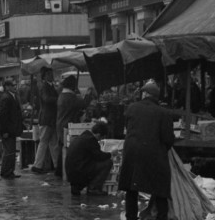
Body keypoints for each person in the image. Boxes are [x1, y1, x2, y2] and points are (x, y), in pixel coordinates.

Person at [119, 81, 175, 220]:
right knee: (161, 187)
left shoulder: (132, 108)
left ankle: (131, 217)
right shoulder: (164, 112)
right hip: (154, 154)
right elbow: (168, 139)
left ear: (144, 94)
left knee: (132, 187)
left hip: (132, 152)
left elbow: (127, 129)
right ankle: (162, 217)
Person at [65, 121, 112, 196]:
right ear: (99, 135)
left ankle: (77, 186)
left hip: (72, 174)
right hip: (79, 172)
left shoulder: (83, 136)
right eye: (102, 137)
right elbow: (99, 156)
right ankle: (93, 188)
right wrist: (111, 154)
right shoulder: (91, 140)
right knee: (108, 163)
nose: (100, 140)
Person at [31, 67, 60, 174]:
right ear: (45, 76)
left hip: (51, 119)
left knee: (53, 143)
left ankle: (57, 165)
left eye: (52, 74)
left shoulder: (51, 86)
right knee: (43, 142)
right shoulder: (44, 87)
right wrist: (58, 99)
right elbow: (46, 99)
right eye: (50, 74)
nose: (52, 76)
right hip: (47, 118)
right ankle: (37, 165)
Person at [55, 75, 85, 178]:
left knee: (61, 148)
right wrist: (89, 95)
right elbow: (82, 104)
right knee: (65, 149)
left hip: (60, 124)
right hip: (66, 126)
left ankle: (59, 171)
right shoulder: (70, 97)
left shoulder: (62, 95)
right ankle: (63, 172)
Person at [0, 79, 23, 179]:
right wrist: (5, 131)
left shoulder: (13, 96)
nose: (15, 87)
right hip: (8, 130)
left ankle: (9, 171)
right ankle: (6, 172)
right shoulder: (6, 98)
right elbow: (3, 116)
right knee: (9, 152)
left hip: (12, 129)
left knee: (11, 151)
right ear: (7, 87)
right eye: (13, 85)